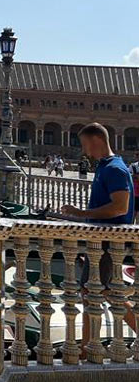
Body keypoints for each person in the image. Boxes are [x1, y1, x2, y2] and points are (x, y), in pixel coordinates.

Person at [61, 122, 136, 354]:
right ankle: (86, 346)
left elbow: (121, 208)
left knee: (100, 292)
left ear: (96, 141)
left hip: (107, 243)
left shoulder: (114, 169)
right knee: (93, 293)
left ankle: (87, 347)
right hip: (99, 243)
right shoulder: (106, 167)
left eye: (85, 145)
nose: (85, 151)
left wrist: (81, 213)